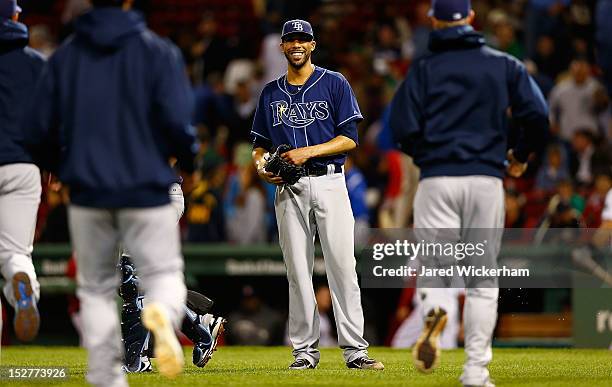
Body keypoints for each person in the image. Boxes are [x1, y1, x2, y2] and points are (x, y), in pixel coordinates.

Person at [24, 0, 197, 385]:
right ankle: (163, 315)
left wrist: (63, 169)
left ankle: (107, 376)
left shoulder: (65, 56)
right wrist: (190, 162)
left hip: (89, 190)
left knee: (97, 289)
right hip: (149, 189)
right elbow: (179, 125)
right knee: (163, 274)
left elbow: (37, 130)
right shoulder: (158, 51)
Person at [389, 1, 548, 386]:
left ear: (434, 21)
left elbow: (401, 126)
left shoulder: (424, 68)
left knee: (437, 270)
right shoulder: (504, 64)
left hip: (438, 180)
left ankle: (436, 312)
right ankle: (475, 371)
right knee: (481, 280)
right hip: (486, 179)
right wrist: (520, 155)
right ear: (472, 19)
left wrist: (431, 155)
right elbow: (538, 114)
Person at [250, 19, 383, 371]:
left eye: (302, 39)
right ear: (281, 47)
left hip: (329, 181)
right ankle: (304, 352)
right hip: (288, 188)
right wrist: (262, 168)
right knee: (297, 271)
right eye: (289, 39)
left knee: (342, 267)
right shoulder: (270, 92)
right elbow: (259, 146)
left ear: (312, 44)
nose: (296, 44)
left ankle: (355, 351)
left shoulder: (334, 82)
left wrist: (306, 152)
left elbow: (349, 138)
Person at [118, 178, 226, 373]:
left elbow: (175, 158)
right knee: (139, 281)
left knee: (132, 277)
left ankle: (136, 360)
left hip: (158, 196)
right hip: (137, 198)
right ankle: (200, 329)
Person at [0, 0, 45, 343]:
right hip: (22, 167)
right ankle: (20, 282)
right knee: (16, 253)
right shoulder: (35, 64)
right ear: (15, 16)